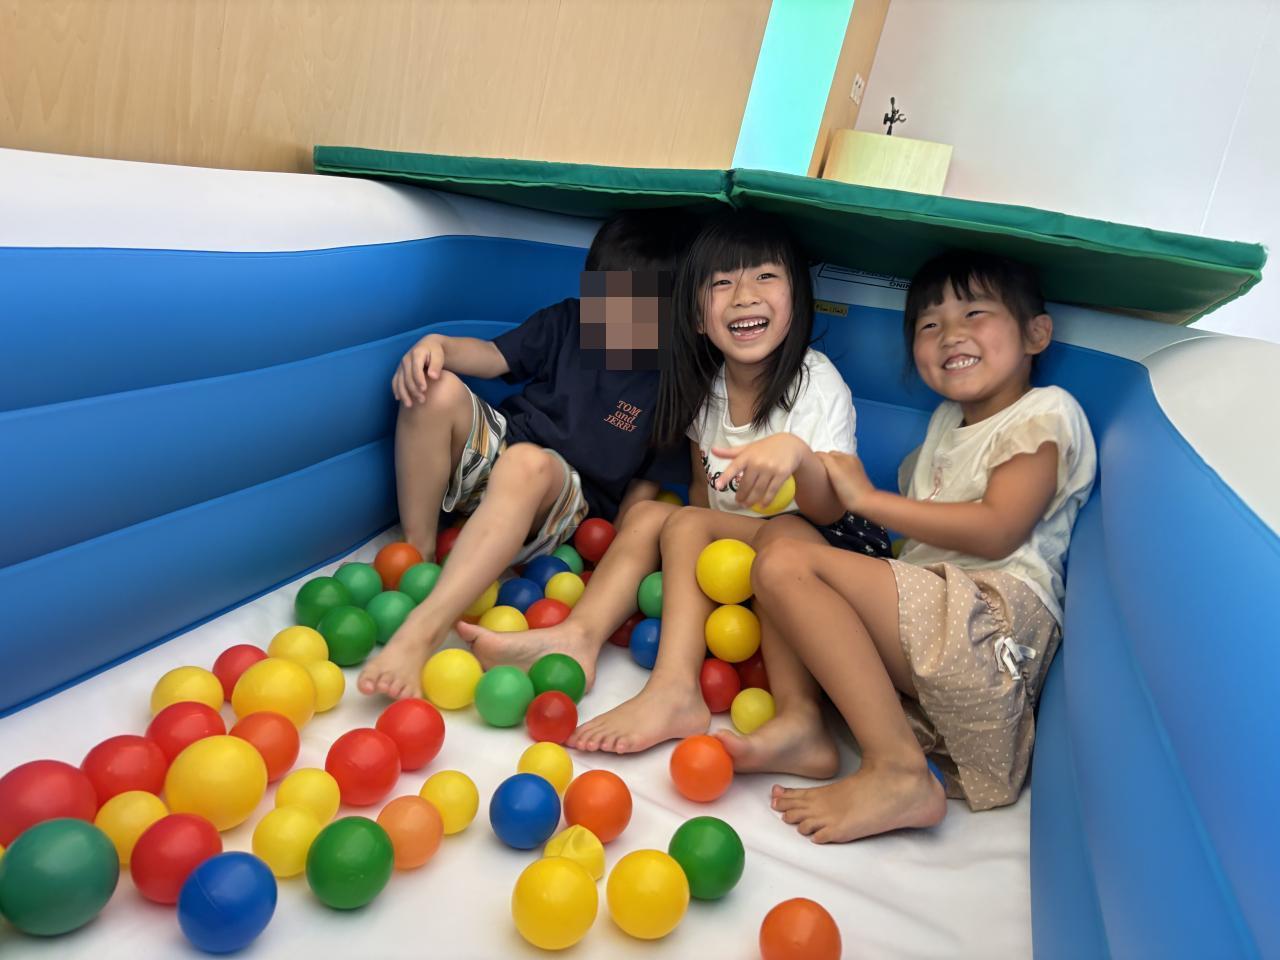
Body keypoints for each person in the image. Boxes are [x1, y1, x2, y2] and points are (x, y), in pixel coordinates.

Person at [462, 210, 889, 747]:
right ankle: (578, 637)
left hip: (822, 555)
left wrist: (799, 459)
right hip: (740, 562)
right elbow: (700, 490)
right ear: (696, 318)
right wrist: (690, 579)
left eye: (764, 276)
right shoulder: (707, 389)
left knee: (687, 525)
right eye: (722, 283)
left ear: (798, 298)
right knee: (651, 515)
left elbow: (830, 511)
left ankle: (677, 691)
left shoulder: (814, 382)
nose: (744, 296)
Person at [721, 250, 1097, 844]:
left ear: (1036, 333)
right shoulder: (945, 423)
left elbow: (998, 528)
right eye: (929, 324)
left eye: (975, 314)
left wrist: (868, 500)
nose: (951, 334)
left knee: (790, 560)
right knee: (782, 536)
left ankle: (898, 771)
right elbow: (908, 546)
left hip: (989, 630)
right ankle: (801, 722)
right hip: (931, 642)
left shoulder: (1044, 412)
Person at [358, 209, 697, 699]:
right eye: (607, 298)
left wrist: (605, 573)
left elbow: (642, 493)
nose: (616, 315)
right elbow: (491, 356)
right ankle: (421, 555)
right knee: (435, 388)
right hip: (504, 459)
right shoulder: (570, 322)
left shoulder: (673, 381)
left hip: (566, 505)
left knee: (529, 464)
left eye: (637, 306)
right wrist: (437, 346)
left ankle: (422, 630)